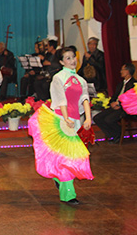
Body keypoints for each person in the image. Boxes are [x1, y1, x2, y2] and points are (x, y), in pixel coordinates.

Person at [49, 47, 92, 205]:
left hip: (76, 120)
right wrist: (66, 118)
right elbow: (61, 100)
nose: (72, 60)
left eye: (73, 57)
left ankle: (57, 176)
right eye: (68, 58)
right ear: (61, 62)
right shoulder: (58, 78)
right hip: (62, 119)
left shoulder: (81, 80)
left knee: (73, 156)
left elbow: (85, 99)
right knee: (67, 156)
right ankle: (68, 194)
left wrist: (88, 118)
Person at [93, 63, 136, 143]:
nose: (120, 71)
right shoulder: (120, 84)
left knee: (108, 119)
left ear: (128, 71)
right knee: (97, 118)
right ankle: (115, 134)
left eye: (122, 70)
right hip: (116, 106)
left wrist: (118, 104)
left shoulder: (134, 84)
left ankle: (118, 135)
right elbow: (115, 96)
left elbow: (130, 99)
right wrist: (112, 103)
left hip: (125, 108)